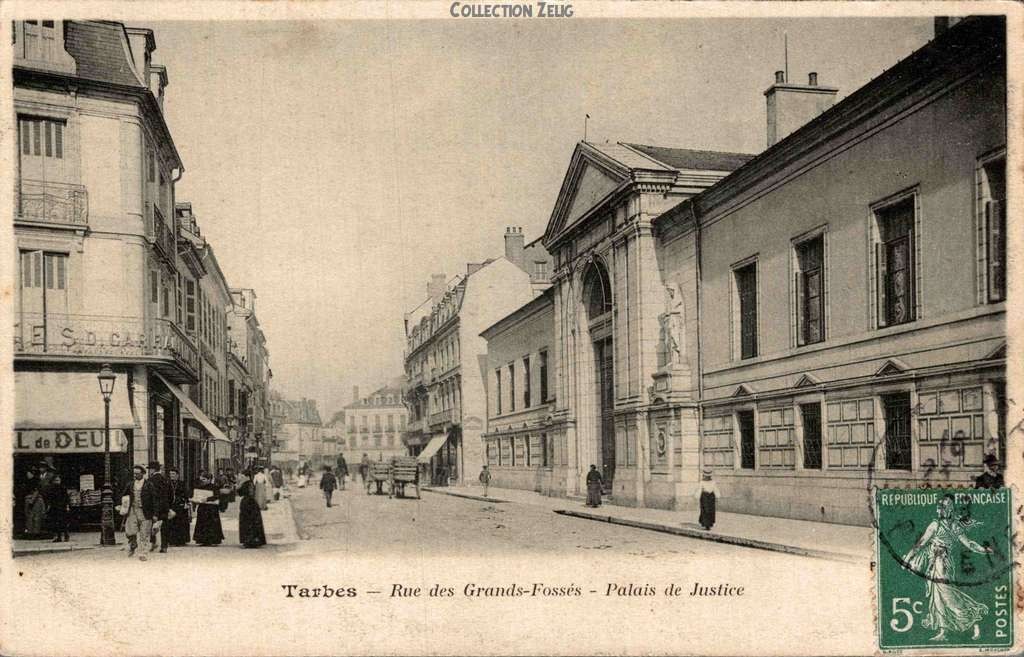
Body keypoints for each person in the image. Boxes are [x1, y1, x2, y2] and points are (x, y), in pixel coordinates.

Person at [903, 494, 993, 641]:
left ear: (951, 509)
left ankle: (974, 621)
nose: (941, 509)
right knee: (936, 597)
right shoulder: (934, 525)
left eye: (944, 506)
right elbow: (921, 543)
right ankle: (943, 632)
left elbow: (969, 543)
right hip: (933, 564)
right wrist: (907, 557)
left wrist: (983, 550)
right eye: (940, 506)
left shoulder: (955, 527)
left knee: (948, 596)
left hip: (944, 564)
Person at [118, 465, 151, 560]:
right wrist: (120, 505)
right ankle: (133, 544)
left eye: (137, 473)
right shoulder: (130, 484)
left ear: (143, 474)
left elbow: (155, 499)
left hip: (145, 511)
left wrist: (155, 514)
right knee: (130, 531)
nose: (135, 475)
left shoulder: (149, 485)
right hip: (132, 510)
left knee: (144, 533)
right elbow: (123, 494)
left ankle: (143, 553)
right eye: (134, 473)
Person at [145, 461, 172, 553]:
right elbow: (171, 494)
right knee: (165, 526)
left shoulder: (150, 480)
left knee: (153, 524)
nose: (149, 471)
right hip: (165, 506)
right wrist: (168, 505)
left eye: (150, 469)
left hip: (154, 506)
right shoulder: (166, 479)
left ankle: (153, 543)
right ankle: (164, 546)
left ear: (153, 470)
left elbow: (149, 495)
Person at [192, 471, 224, 546]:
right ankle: (203, 540)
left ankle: (212, 540)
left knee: (211, 523)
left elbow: (217, 495)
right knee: (202, 523)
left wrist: (207, 499)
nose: (202, 481)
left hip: (211, 508)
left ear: (209, 479)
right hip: (203, 507)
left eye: (204, 479)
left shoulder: (214, 487)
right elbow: (196, 495)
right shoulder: (199, 487)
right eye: (201, 479)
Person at [237, 469, 267, 549]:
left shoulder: (248, 483)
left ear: (246, 476)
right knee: (250, 521)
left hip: (248, 503)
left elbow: (248, 493)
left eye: (242, 475)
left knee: (248, 521)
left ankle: (250, 541)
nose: (241, 477)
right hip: (249, 503)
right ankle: (251, 540)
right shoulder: (248, 483)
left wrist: (239, 487)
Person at [163, 467, 191, 547]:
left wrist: (186, 501)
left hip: (180, 505)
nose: (172, 476)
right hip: (171, 505)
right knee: (172, 523)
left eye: (173, 474)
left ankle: (181, 540)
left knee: (181, 523)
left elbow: (186, 493)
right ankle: (172, 540)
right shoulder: (167, 483)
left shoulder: (182, 483)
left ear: (177, 475)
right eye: (170, 474)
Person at [44, 473, 71, 542]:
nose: (57, 482)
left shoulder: (63, 488)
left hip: (62, 507)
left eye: (58, 480)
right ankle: (59, 537)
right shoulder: (51, 489)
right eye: (55, 480)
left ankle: (66, 535)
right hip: (55, 507)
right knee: (56, 523)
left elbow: (66, 498)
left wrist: (67, 506)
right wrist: (49, 506)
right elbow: (50, 498)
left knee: (63, 522)